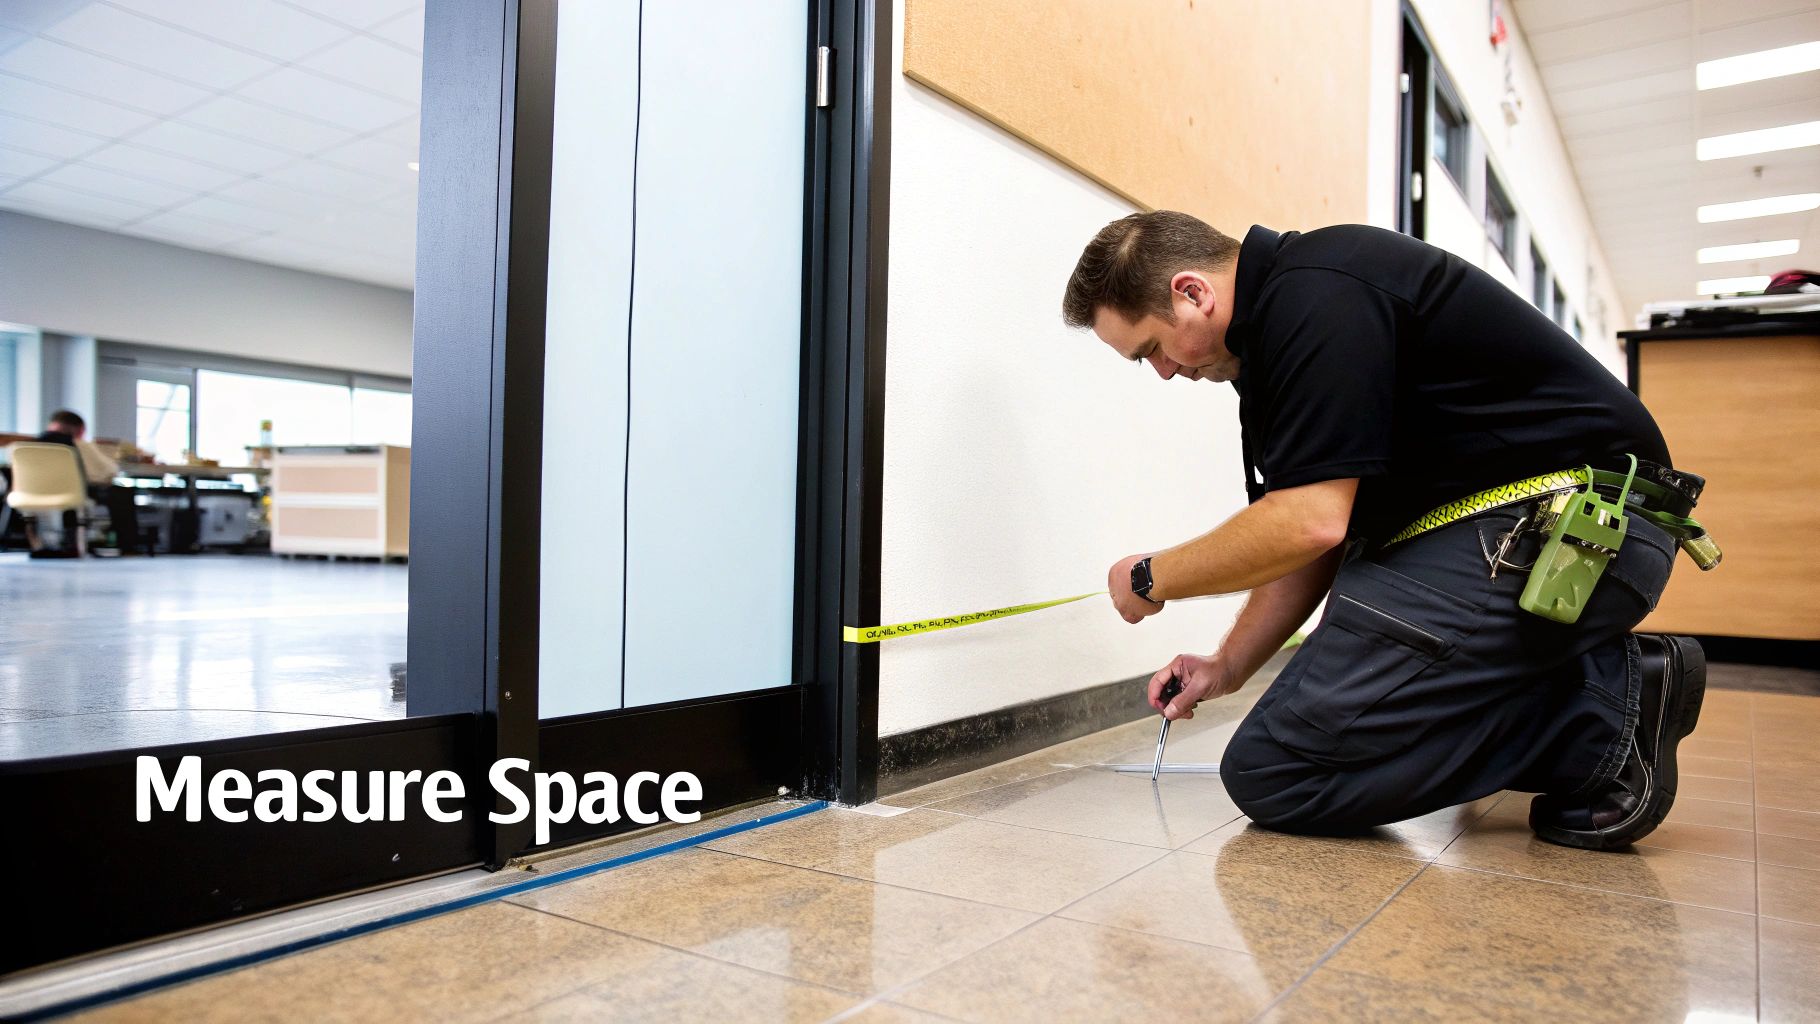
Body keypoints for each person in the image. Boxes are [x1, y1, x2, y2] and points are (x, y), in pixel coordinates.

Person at [1063, 212, 1714, 851]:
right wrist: (1226, 666)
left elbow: (1308, 525)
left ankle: (1601, 721)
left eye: (1152, 349)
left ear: (1192, 292)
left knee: (1278, 773)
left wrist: (1153, 577)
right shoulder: (1274, 343)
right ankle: (1585, 700)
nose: (1165, 373)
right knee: (1298, 741)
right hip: (1528, 534)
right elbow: (1309, 535)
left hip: (1577, 530)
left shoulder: (1319, 293)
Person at [36, 409, 143, 553]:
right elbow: (110, 471)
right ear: (79, 430)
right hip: (74, 492)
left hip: (36, 492)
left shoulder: (31, 445)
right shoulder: (79, 444)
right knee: (122, 492)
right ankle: (128, 546)